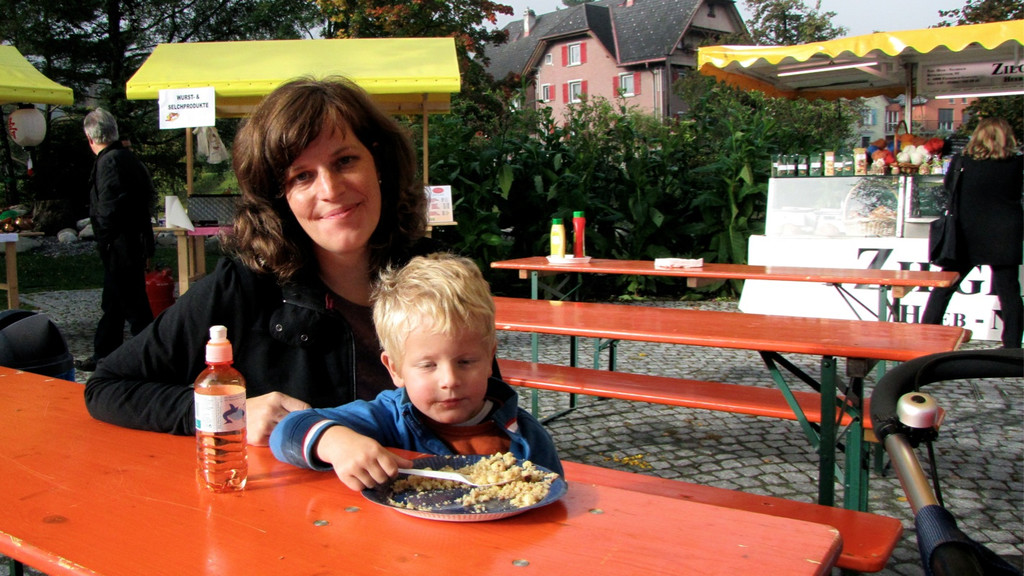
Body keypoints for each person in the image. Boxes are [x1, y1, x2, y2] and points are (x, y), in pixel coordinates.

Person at [84, 76, 439, 445]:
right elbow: (108, 386)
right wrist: (230, 411)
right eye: (302, 176)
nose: (331, 190)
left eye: (345, 160)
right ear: (278, 196)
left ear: (378, 163)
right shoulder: (245, 286)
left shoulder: (436, 274)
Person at [270, 253, 562, 490]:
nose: (449, 380)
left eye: (465, 362)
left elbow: (554, 502)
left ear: (489, 359)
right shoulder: (389, 419)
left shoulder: (525, 437)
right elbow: (288, 429)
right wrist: (336, 443)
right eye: (428, 365)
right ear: (395, 369)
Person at [922, 117, 1023, 349]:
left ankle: (927, 334)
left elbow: (948, 190)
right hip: (1005, 233)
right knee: (1009, 292)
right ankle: (1012, 346)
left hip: (965, 232)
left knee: (945, 286)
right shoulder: (1016, 164)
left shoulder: (962, 161)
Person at [75, 108, 157, 372]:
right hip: (129, 241)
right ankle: (104, 353)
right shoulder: (127, 158)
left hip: (120, 244)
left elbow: (109, 207)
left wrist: (104, 237)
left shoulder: (110, 162)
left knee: (133, 305)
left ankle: (154, 354)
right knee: (115, 302)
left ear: (90, 138)